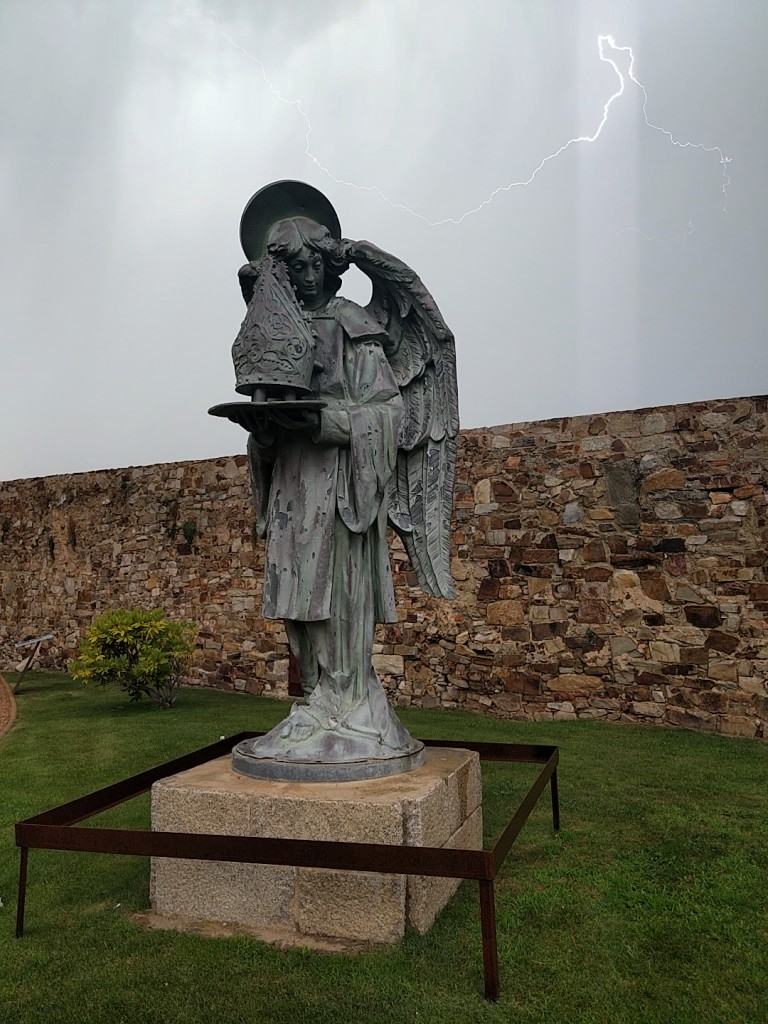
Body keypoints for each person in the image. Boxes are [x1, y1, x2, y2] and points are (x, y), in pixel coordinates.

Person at [237, 217, 420, 763]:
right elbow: (265, 417)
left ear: (331, 265)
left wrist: (327, 422)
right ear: (282, 275)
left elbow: (389, 411)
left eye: (317, 263)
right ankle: (316, 699)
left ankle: (351, 706)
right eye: (296, 267)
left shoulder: (351, 324)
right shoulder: (276, 330)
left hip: (341, 485)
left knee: (336, 599)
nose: (309, 274)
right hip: (292, 486)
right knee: (296, 602)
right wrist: (265, 434)